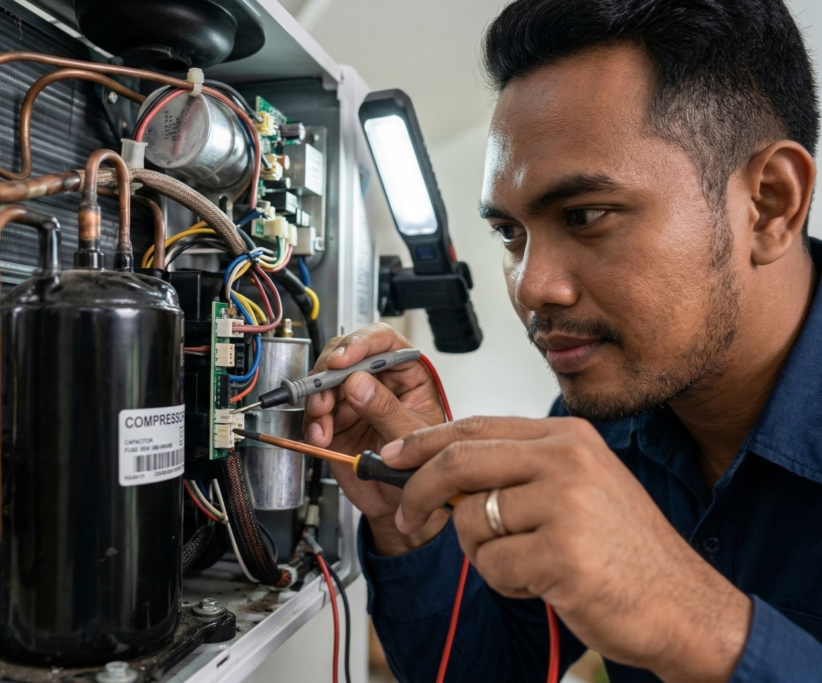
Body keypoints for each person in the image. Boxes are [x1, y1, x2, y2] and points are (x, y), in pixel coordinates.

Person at [303, 0, 822, 680]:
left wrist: (703, 622)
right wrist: (413, 519)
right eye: (510, 233)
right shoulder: (605, 421)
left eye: (585, 215)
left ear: (771, 203)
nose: (530, 286)